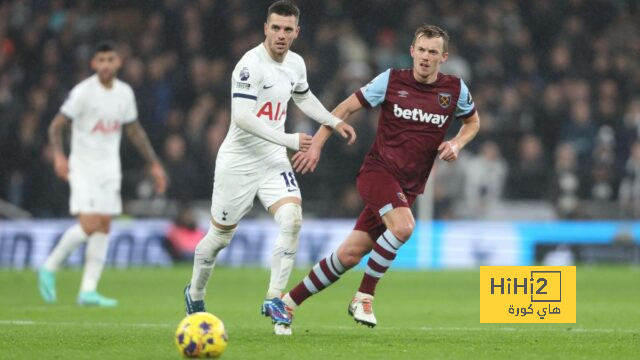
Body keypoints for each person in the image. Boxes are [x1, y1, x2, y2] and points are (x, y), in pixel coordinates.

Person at [281, 25, 480, 332]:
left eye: (433, 52)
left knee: (349, 254)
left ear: (444, 57)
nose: (426, 57)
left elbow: (473, 123)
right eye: (422, 50)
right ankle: (364, 296)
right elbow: (345, 107)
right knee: (404, 227)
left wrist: (456, 143)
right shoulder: (391, 80)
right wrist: (318, 143)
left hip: (408, 187)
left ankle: (287, 304)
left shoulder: (455, 90)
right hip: (378, 172)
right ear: (412, 52)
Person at [183, 0, 355, 336]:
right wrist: (289, 139)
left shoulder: (295, 64)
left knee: (292, 219)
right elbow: (242, 117)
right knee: (219, 238)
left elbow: (302, 97)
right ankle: (196, 292)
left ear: (296, 32)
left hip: (273, 159)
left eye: (287, 29)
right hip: (240, 161)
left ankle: (276, 299)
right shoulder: (249, 65)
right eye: (275, 28)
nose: (281, 35)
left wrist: (334, 121)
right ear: (265, 28)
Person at [38, 42, 167, 307]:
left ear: (118, 63)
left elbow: (133, 130)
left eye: (110, 59)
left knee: (105, 225)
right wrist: (59, 156)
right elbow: (56, 126)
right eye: (101, 60)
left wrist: (154, 163)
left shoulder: (124, 93)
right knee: (89, 224)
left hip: (109, 168)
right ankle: (49, 266)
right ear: (93, 64)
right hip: (83, 166)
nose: (106, 65)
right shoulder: (83, 92)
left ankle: (87, 291)